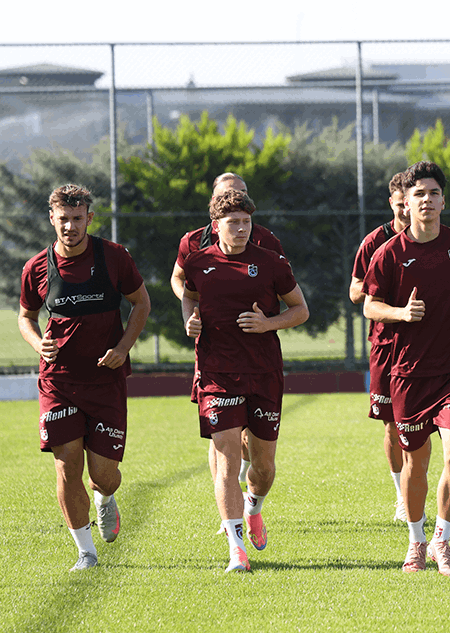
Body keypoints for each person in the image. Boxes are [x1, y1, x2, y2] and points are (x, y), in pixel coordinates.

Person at [18, 184, 151, 571]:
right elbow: (26, 316)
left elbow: (141, 302)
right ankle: (86, 553)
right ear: (52, 219)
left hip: (105, 381)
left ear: (89, 218)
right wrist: (36, 343)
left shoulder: (113, 257)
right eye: (64, 219)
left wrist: (124, 347)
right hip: (57, 381)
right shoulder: (36, 267)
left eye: (78, 219)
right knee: (66, 464)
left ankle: (106, 499)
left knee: (104, 475)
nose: (70, 227)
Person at [363, 161, 450, 576]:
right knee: (416, 464)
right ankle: (416, 540)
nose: (426, 201)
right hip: (407, 374)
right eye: (419, 195)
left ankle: (442, 540)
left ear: (443, 200)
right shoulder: (388, 254)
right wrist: (400, 313)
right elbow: (368, 305)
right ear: (406, 203)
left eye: (433, 193)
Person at [180, 189, 309, 572]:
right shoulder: (197, 261)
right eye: (233, 222)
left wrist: (268, 323)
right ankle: (236, 548)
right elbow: (188, 297)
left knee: (263, 465)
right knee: (226, 459)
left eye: (246, 222)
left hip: (263, 372)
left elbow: (301, 309)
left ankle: (253, 509)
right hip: (217, 373)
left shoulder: (271, 263)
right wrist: (191, 319)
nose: (240, 229)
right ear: (216, 225)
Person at [171, 173, 285, 489]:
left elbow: (285, 290)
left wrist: (265, 318)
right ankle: (227, 504)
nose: (235, 197)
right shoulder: (193, 241)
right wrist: (192, 313)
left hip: (257, 355)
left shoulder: (265, 241)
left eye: (242, 193)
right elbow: (180, 281)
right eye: (227, 194)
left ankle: (245, 487)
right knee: (221, 433)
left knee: (251, 442)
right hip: (213, 354)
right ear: (214, 204)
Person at [349, 172, 411, 522]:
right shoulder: (374, 242)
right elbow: (355, 291)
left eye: (410, 203)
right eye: (400, 204)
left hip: (426, 342)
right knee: (391, 422)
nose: (406, 210)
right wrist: (374, 280)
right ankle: (402, 495)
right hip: (385, 342)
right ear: (392, 203)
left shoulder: (434, 240)